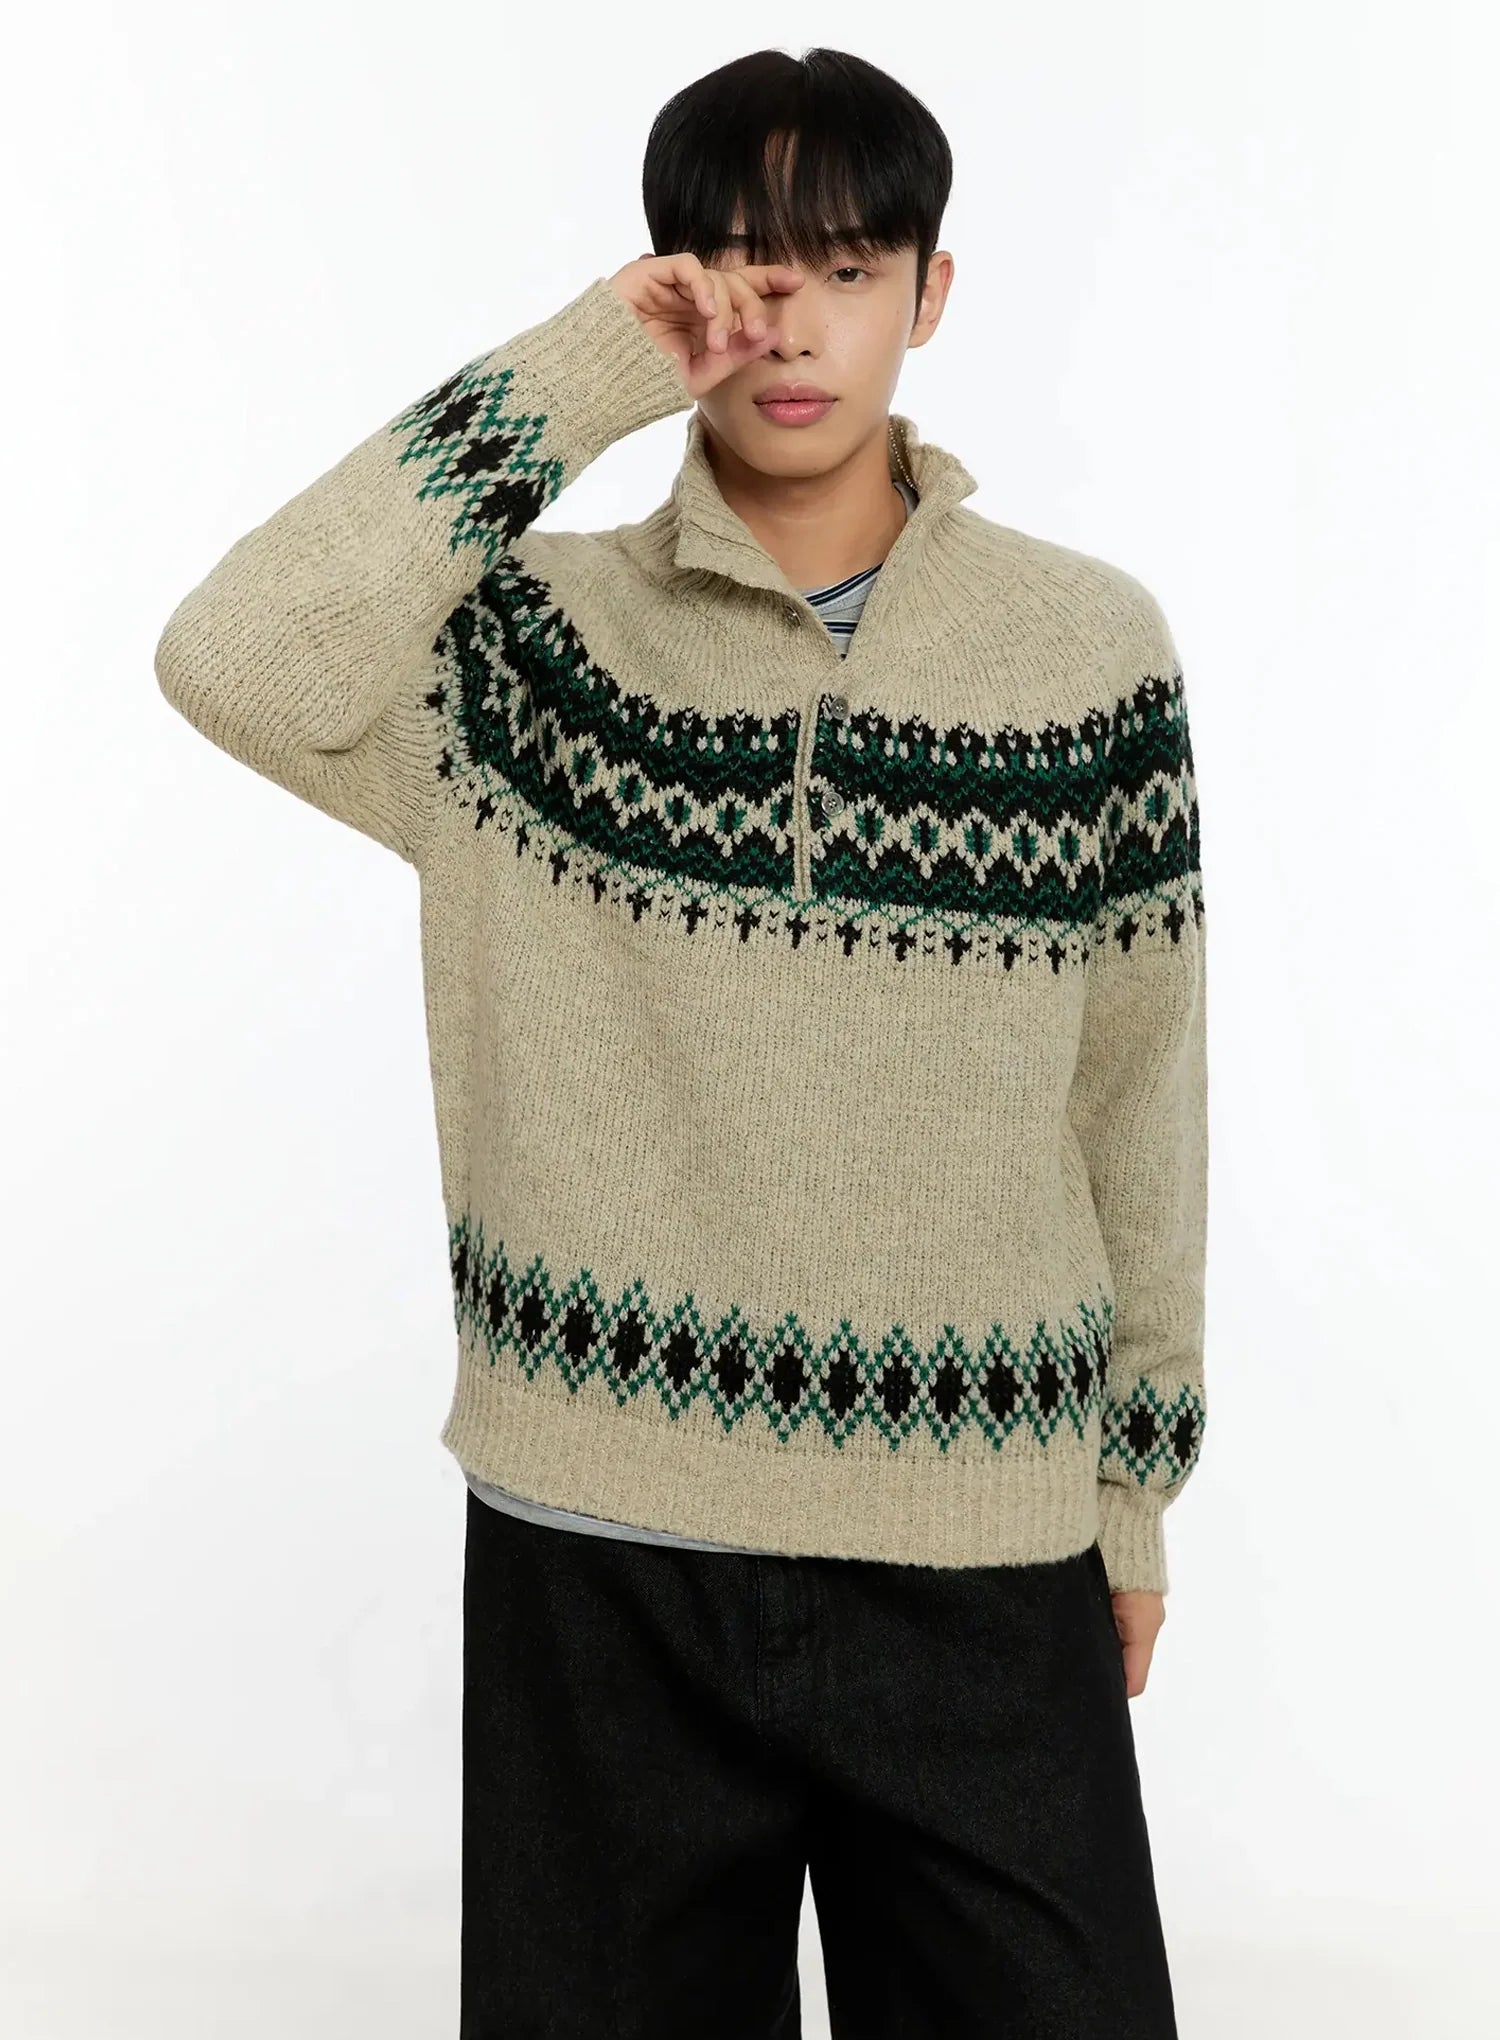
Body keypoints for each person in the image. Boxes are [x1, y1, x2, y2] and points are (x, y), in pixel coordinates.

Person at [153, 42, 1207, 2040]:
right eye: (739, 267)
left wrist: (1131, 1487)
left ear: (932, 293)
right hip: (604, 1549)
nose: (789, 322)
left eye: (847, 265)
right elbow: (236, 658)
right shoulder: (526, 657)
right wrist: (582, 373)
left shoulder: (1087, 652)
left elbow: (1138, 1086)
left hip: (980, 1541)